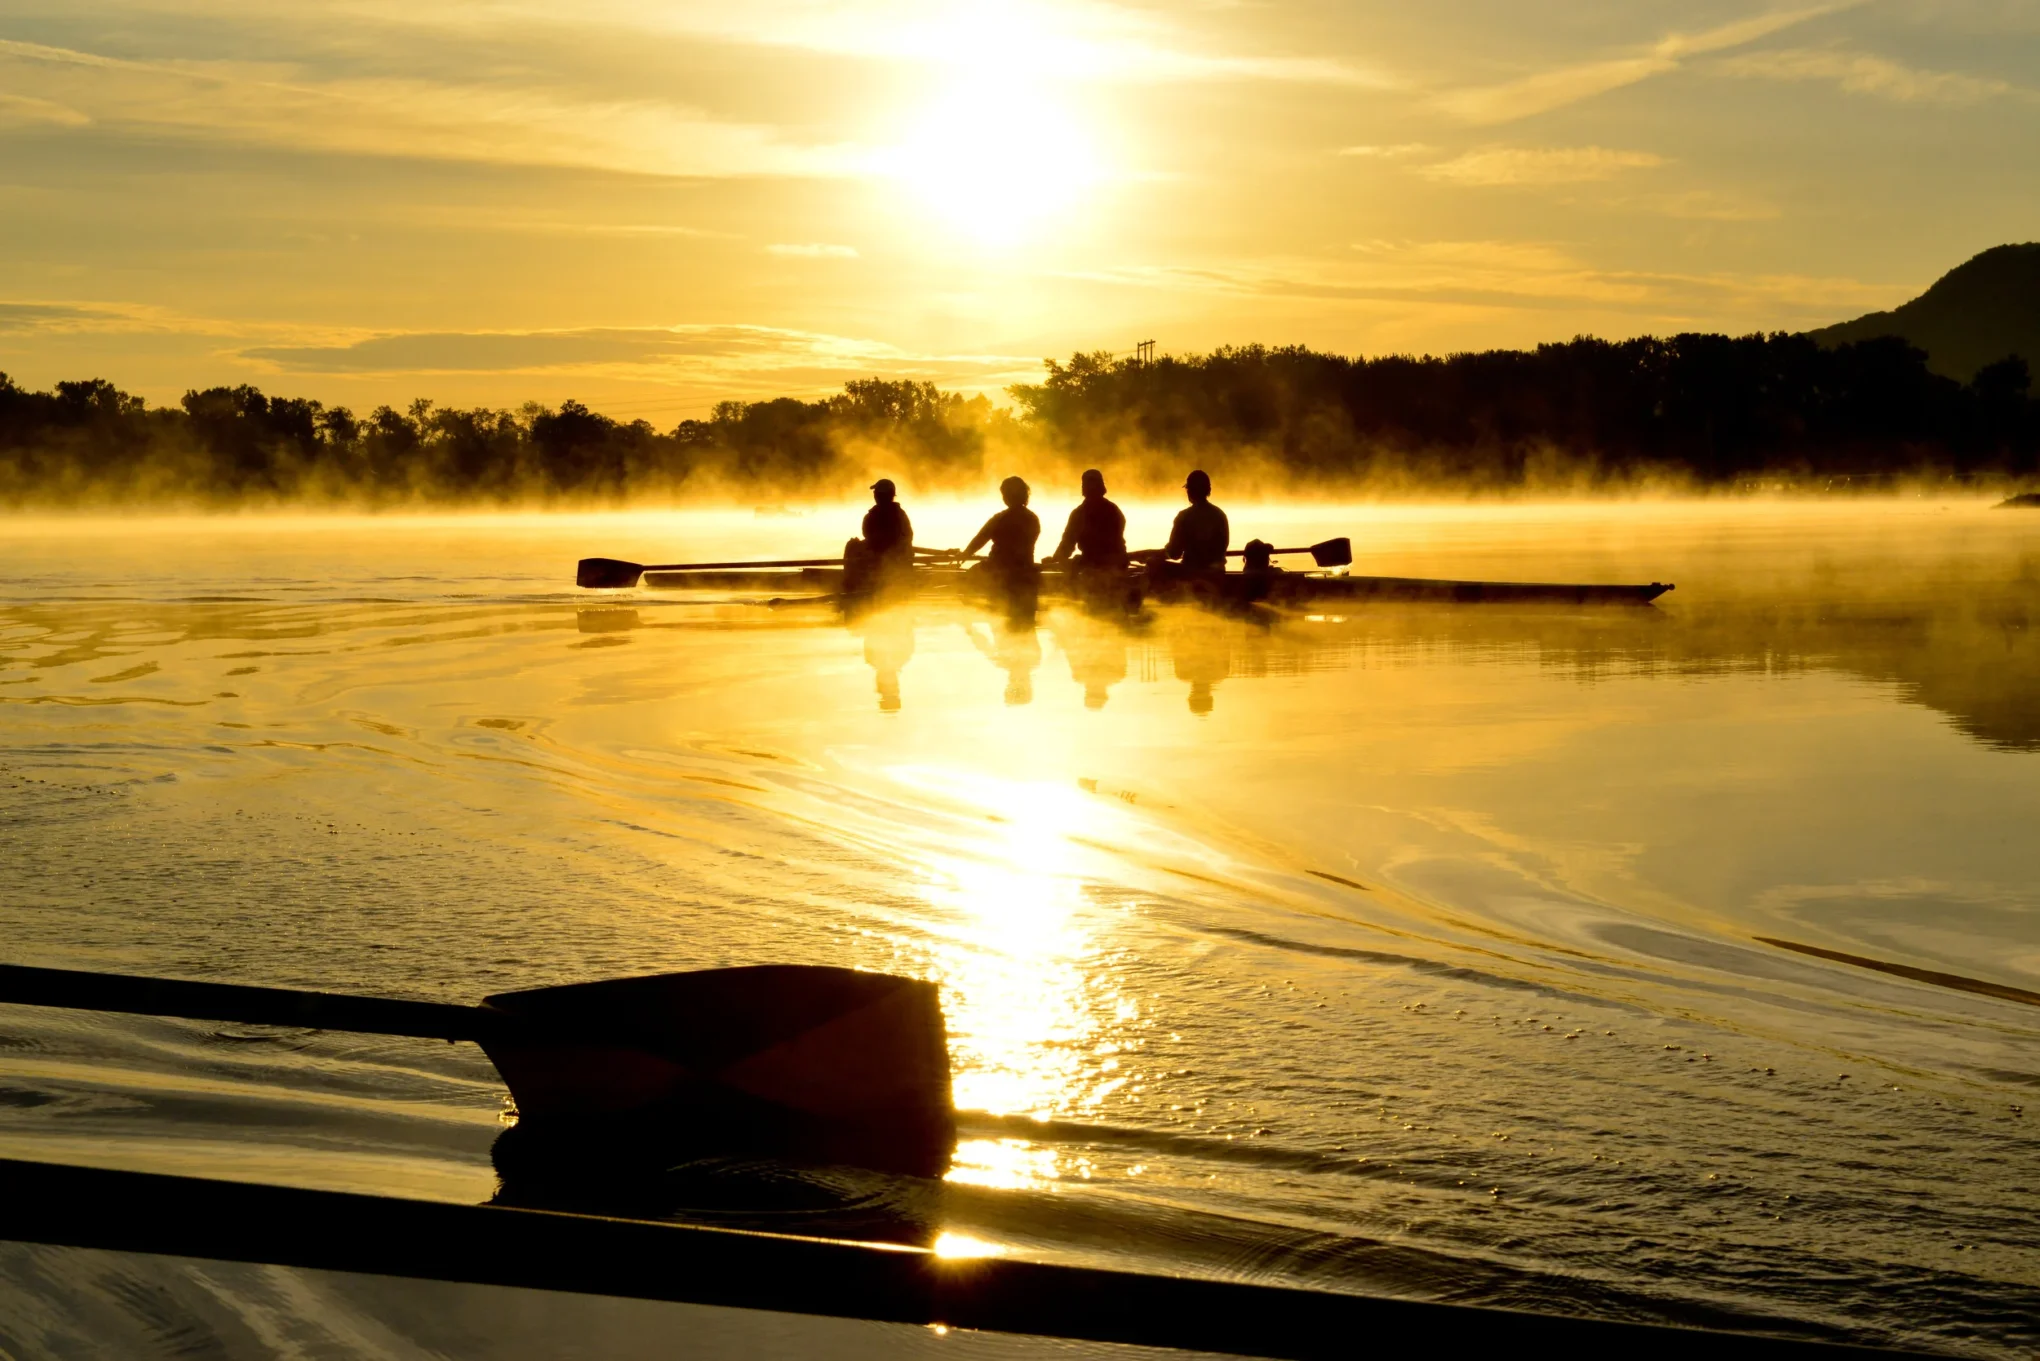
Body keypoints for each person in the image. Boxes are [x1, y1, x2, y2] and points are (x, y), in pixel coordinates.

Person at [964, 476, 1041, 618]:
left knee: (968, 577)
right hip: (1026, 574)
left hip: (1001, 574)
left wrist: (965, 554)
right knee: (1026, 624)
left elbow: (980, 539)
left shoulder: (1000, 518)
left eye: (1004, 494)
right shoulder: (1032, 518)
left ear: (1007, 496)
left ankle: (969, 614)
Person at [844, 478, 914, 596]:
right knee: (855, 545)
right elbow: (908, 537)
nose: (874, 495)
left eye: (875, 493)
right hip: (896, 559)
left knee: (851, 545)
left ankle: (848, 583)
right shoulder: (900, 514)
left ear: (879, 496)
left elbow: (868, 535)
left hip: (882, 562)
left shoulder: (874, 515)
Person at [1049, 469, 1126, 571]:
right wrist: (1056, 559)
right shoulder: (1080, 513)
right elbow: (1067, 542)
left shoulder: (1111, 511)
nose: (1091, 487)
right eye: (1089, 484)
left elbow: (1068, 542)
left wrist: (1058, 558)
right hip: (1107, 563)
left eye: (1093, 484)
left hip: (1108, 564)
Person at [1163, 469, 1228, 571]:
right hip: (1217, 573)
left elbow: (1174, 553)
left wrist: (1159, 552)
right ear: (1208, 490)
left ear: (1189, 491)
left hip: (1191, 573)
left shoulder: (1184, 516)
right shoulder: (1220, 515)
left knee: (1152, 563)